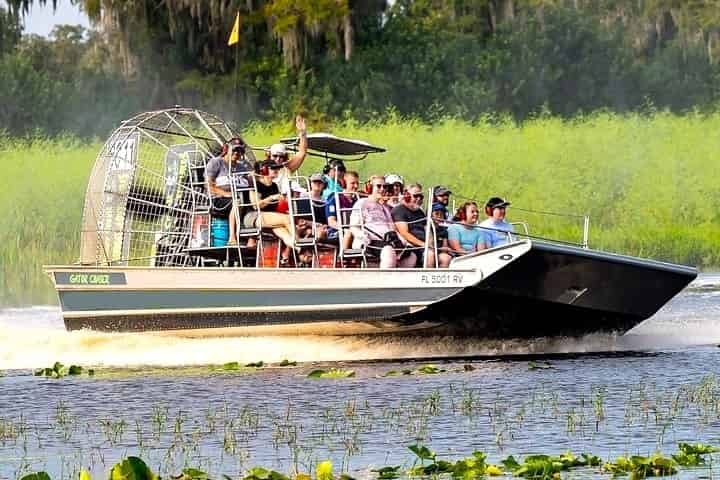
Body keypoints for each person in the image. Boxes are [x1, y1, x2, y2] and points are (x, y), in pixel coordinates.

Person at [351, 175, 416, 268]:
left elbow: (392, 227)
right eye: (378, 186)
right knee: (388, 251)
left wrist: (404, 242)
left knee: (411, 256)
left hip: (388, 240)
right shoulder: (362, 203)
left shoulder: (384, 207)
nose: (382, 189)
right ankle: (385, 280)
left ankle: (400, 280)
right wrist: (362, 236)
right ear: (370, 188)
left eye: (384, 186)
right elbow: (354, 226)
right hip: (370, 240)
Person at [244, 160, 296, 263]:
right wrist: (271, 198)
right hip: (253, 216)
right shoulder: (256, 184)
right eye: (273, 168)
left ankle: (298, 247)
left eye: (277, 168)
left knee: (284, 231)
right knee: (287, 219)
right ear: (264, 170)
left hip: (269, 217)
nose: (277, 170)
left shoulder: (274, 186)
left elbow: (275, 208)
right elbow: (256, 205)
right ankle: (299, 243)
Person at [205, 137, 253, 245]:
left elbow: (251, 182)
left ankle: (252, 239)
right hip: (219, 199)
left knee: (255, 202)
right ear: (227, 149)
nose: (237, 153)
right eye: (235, 150)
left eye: (240, 151)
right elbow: (208, 186)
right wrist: (227, 194)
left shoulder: (242, 167)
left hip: (241, 197)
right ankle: (232, 237)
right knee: (237, 201)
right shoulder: (216, 163)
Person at [392, 184, 451, 268]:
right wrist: (423, 244)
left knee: (446, 258)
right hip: (412, 247)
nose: (419, 199)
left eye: (421, 196)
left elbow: (427, 229)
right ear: (406, 196)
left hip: (425, 246)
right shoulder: (399, 210)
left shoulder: (419, 212)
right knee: (430, 255)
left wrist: (430, 244)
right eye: (416, 196)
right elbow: (404, 233)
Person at [268, 115, 309, 194]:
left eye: (281, 156)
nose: (278, 159)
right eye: (275, 156)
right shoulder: (262, 168)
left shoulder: (286, 167)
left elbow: (302, 153)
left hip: (286, 199)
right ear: (270, 155)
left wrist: (303, 133)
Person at [326, 170, 360, 249]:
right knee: (349, 232)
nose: (356, 186)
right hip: (337, 231)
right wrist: (344, 228)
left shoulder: (357, 200)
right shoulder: (335, 199)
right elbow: (331, 222)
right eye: (352, 183)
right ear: (344, 184)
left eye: (357, 183)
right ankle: (343, 257)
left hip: (355, 230)